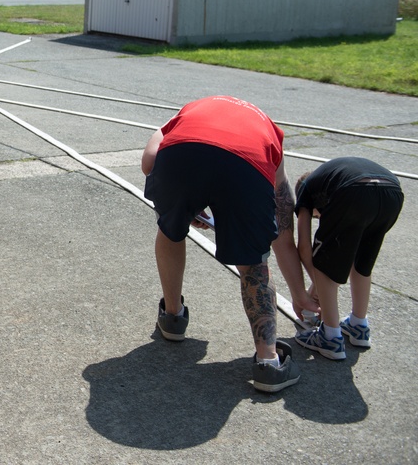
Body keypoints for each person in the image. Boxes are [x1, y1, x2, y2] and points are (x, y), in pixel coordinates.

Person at [141, 95, 315, 393]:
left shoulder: (184, 117)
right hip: (247, 161)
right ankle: (268, 364)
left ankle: (172, 318)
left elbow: (149, 163)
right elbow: (282, 227)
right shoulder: (268, 131)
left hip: (180, 155)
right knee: (254, 263)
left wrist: (183, 205)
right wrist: (300, 294)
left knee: (170, 230)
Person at [293, 157, 404, 360]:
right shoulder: (331, 177)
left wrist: (316, 284)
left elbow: (304, 246)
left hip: (354, 191)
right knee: (362, 260)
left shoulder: (306, 191)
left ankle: (330, 336)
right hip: (392, 192)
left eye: (317, 217)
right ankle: (358, 325)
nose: (319, 219)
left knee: (322, 258)